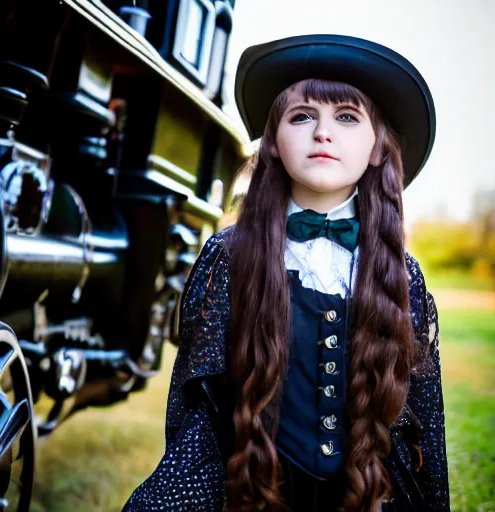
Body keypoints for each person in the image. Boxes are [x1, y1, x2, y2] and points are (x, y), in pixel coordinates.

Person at [122, 34, 450, 512]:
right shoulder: (227, 256)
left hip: (362, 495)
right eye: (302, 116)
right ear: (272, 143)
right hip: (247, 489)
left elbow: (425, 423)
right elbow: (196, 404)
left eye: (346, 117)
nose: (323, 133)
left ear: (378, 146)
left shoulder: (403, 276)